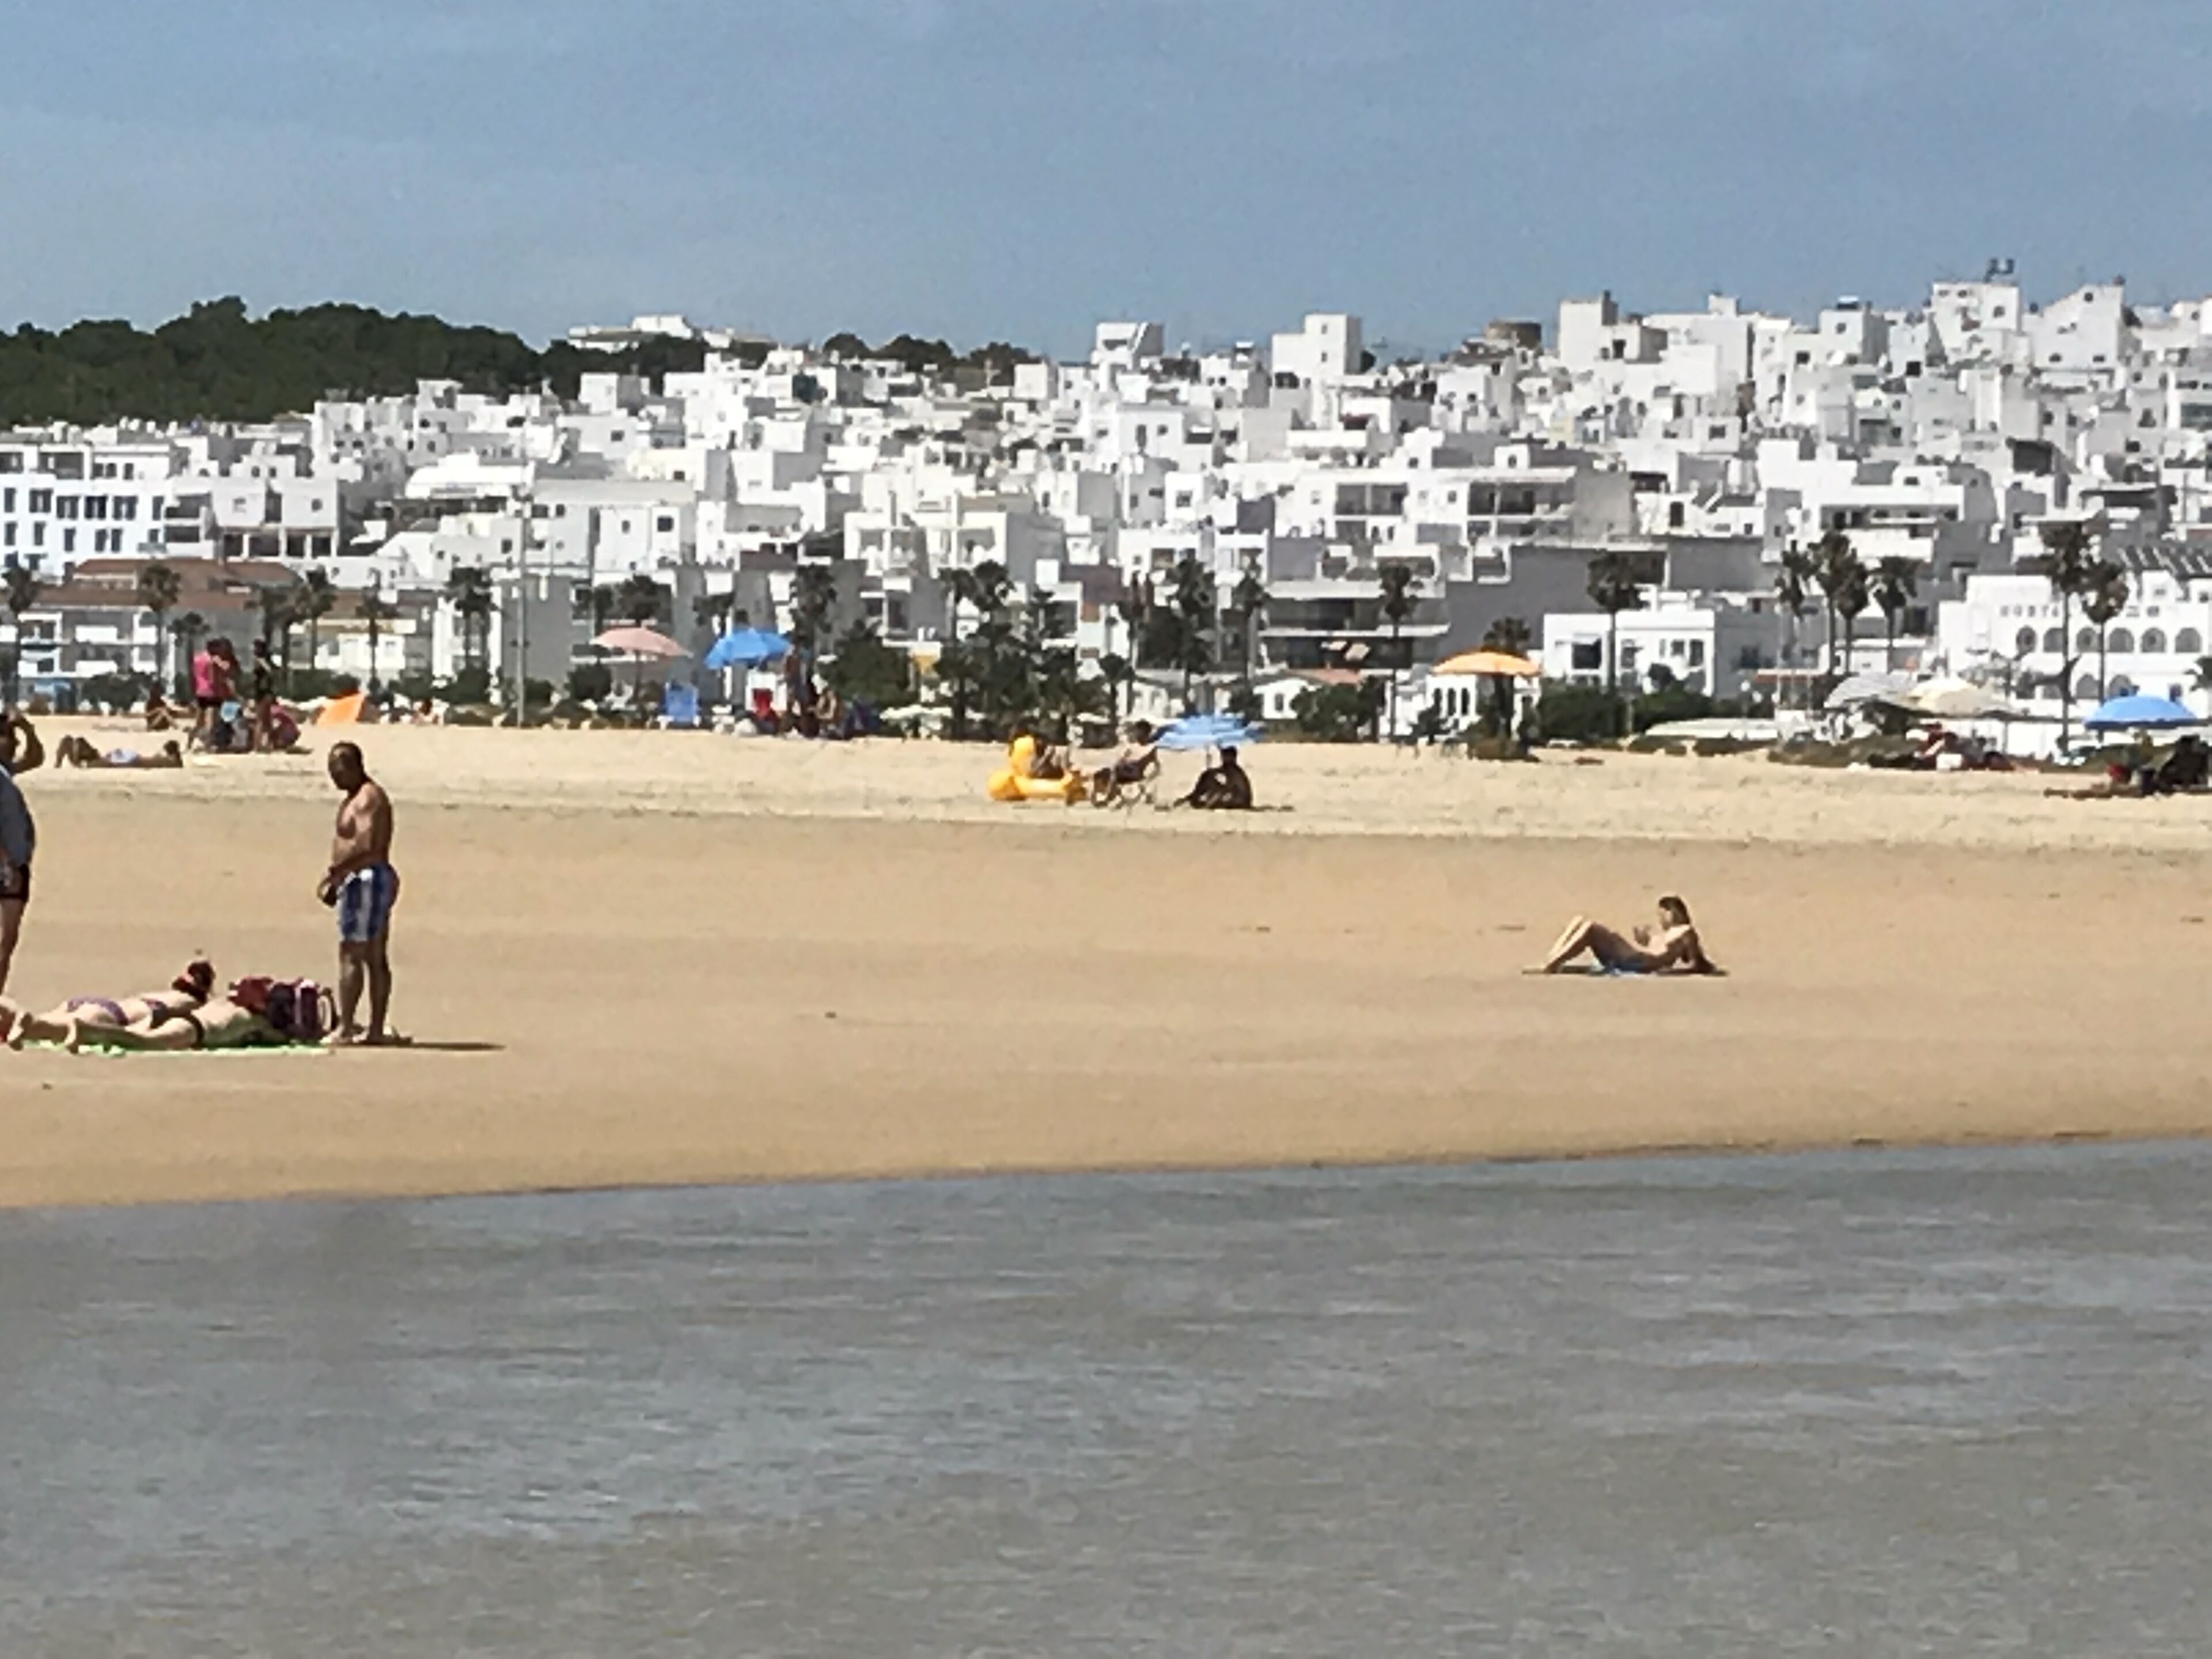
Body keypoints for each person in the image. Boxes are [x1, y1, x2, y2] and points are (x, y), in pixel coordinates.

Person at [319, 740, 403, 1044]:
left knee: (354, 953)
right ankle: (374, 1029)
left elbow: (367, 845)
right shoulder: (357, 796)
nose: (334, 778)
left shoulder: (367, 798)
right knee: (372, 954)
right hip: (365, 878)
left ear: (354, 766)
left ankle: (348, 1027)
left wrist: (335, 874)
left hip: (365, 878)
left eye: (338, 771)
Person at [5, 960, 216, 1051]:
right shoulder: (191, 1004)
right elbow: (157, 1018)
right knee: (49, 1030)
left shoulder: (163, 994)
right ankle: (28, 1024)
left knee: (43, 1022)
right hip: (111, 1014)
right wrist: (130, 1034)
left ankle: (11, 1012)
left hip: (93, 1003)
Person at [1533, 895, 1723, 976]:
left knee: (1590, 928)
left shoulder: (1685, 931)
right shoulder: (1667, 935)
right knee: (1580, 920)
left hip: (1639, 962)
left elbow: (1697, 963)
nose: (1661, 921)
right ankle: (1552, 958)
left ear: (1670, 912)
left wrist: (1670, 972)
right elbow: (1655, 948)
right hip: (1636, 956)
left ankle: (1552, 965)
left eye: (1662, 915)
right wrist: (1644, 940)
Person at [0, 709, 44, 998]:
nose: (14, 744)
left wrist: (28, 729)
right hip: (6, 865)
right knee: (5, 939)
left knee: (8, 940)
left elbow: (36, 758)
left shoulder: (4, 770)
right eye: (9, 738)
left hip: (16, 863)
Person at [1183, 744, 1253, 810]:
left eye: (1225, 755)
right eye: (1223, 755)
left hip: (1240, 801)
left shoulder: (1235, 771)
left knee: (1213, 782)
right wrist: (1210, 773)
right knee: (1208, 776)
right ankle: (1194, 797)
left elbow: (1228, 787)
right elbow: (1218, 774)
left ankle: (1196, 799)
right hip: (1235, 798)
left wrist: (1214, 798)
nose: (1222, 757)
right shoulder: (1229, 768)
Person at [56, 735, 184, 769]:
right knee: (145, 761)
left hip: (113, 759)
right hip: (114, 758)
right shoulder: (92, 759)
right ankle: (169, 760)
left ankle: (170, 761)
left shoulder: (93, 761)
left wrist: (58, 763)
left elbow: (66, 744)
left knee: (144, 762)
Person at [249, 638, 278, 751]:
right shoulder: (263, 660)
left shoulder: (260, 661)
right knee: (266, 720)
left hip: (262, 693)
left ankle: (258, 745)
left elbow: (270, 671)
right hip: (265, 692)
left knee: (261, 720)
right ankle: (269, 743)